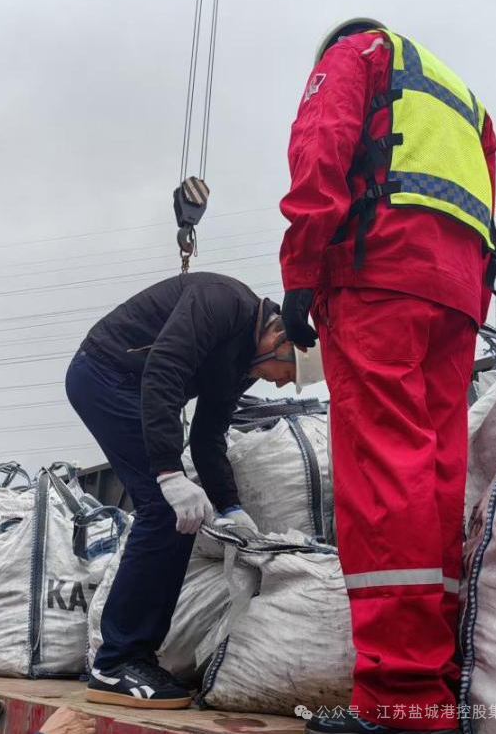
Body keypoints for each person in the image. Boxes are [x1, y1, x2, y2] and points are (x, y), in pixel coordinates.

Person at [279, 19, 496, 734]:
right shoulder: (467, 103)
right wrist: (469, 297)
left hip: (378, 275)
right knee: (436, 477)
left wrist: (301, 270)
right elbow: (484, 202)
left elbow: (322, 147)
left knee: (383, 473)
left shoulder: (357, 53)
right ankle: (431, 684)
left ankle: (397, 696)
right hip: (455, 296)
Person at [65, 271, 322, 708]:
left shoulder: (244, 362)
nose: (281, 384)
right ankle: (116, 661)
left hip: (136, 388)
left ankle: (136, 654)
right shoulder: (221, 302)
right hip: (105, 375)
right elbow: (162, 372)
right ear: (281, 339)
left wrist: (230, 507)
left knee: (183, 516)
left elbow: (208, 434)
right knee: (165, 510)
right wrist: (169, 474)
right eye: (288, 373)